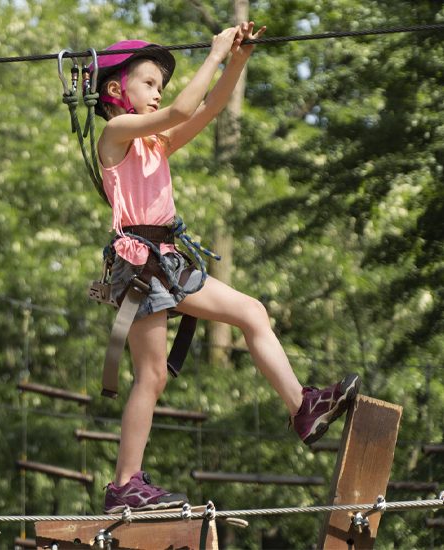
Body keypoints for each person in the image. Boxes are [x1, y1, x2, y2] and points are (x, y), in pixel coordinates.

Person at [91, 24, 359, 512]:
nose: (158, 95)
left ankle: (303, 406)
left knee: (248, 315)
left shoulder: (156, 145)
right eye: (149, 83)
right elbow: (181, 109)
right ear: (115, 90)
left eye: (160, 87)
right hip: (142, 264)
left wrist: (238, 61)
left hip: (164, 261)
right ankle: (125, 483)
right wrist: (215, 52)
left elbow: (207, 108)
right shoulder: (116, 134)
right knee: (151, 377)